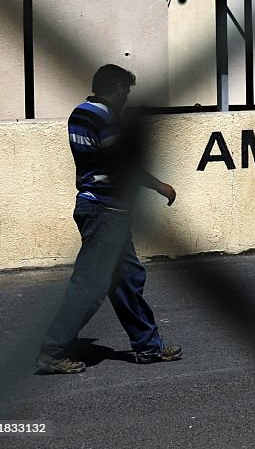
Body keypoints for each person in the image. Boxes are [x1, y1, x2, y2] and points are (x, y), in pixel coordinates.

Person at [35, 64, 182, 374]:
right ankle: (53, 348)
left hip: (102, 209)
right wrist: (160, 186)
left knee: (127, 281)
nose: (126, 98)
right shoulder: (105, 117)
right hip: (104, 211)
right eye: (125, 91)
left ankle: (148, 347)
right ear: (116, 89)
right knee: (90, 285)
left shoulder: (80, 113)